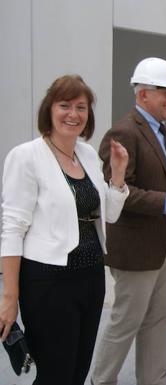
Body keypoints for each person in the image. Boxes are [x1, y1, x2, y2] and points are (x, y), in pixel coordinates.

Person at [0, 75, 129, 384]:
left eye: (81, 107)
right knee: (55, 374)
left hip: (90, 278)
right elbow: (12, 228)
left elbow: (108, 215)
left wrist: (119, 176)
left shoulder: (86, 154)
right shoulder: (26, 156)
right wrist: (10, 296)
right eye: (65, 105)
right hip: (49, 283)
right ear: (50, 110)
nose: (73, 114)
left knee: (78, 371)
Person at [92, 57, 166, 385]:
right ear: (142, 95)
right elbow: (117, 194)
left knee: (158, 318)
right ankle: (102, 380)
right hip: (136, 249)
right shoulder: (123, 132)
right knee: (126, 320)